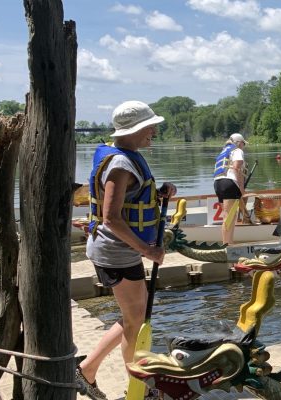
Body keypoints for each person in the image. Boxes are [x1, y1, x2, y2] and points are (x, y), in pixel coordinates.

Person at [77, 101, 177, 400]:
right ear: (135, 131)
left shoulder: (125, 158)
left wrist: (161, 193)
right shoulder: (121, 164)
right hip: (115, 252)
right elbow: (111, 217)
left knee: (137, 315)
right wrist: (147, 250)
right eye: (150, 127)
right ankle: (133, 386)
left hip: (120, 251)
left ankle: (90, 370)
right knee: (136, 319)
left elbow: (131, 200)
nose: (154, 132)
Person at [213, 132, 248, 245]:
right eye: (243, 144)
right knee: (229, 217)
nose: (243, 146)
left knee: (227, 215)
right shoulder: (237, 150)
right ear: (239, 143)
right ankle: (228, 245)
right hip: (229, 183)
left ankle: (227, 243)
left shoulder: (223, 152)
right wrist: (242, 188)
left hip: (217, 183)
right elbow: (237, 167)